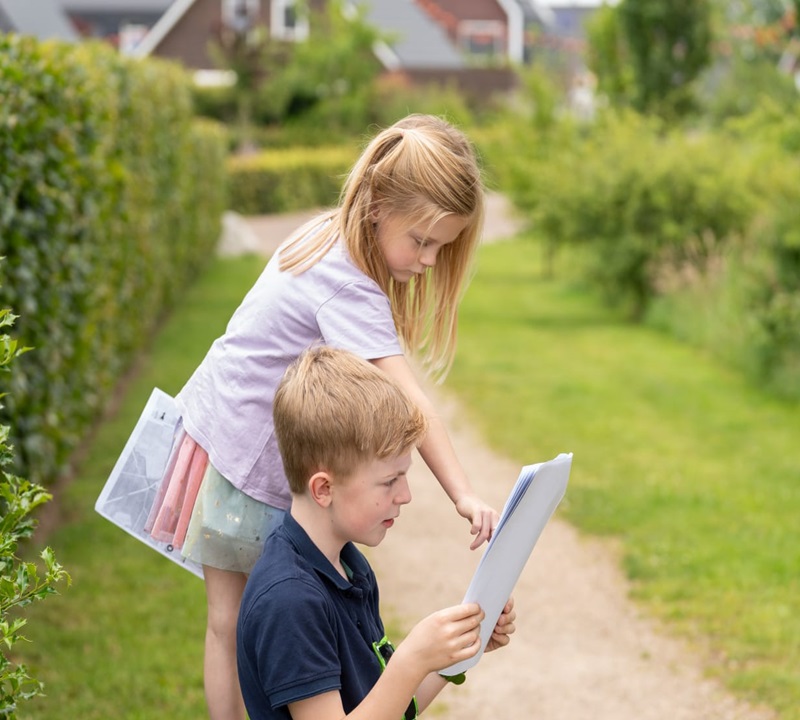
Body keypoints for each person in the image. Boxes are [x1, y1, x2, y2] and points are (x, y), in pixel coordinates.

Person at [147, 113, 500, 720]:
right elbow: (411, 402)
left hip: (218, 433)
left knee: (228, 622)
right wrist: (462, 494)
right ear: (378, 208)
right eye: (421, 241)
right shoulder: (349, 284)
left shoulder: (326, 235)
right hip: (247, 464)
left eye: (441, 246)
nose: (428, 260)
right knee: (273, 614)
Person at [237, 346, 516, 720]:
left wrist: (455, 652)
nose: (405, 495)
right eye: (389, 481)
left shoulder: (347, 566)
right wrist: (411, 660)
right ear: (324, 489)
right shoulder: (290, 601)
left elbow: (385, 707)